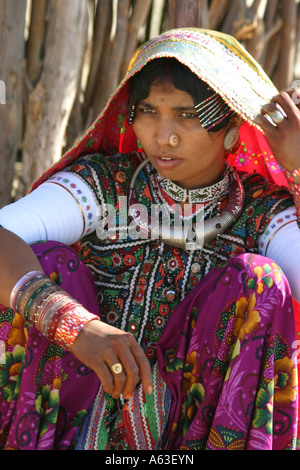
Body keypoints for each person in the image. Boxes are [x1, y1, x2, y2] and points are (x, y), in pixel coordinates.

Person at [0, 27, 299, 451]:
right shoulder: (104, 185)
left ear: (231, 125)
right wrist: (77, 328)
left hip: (194, 437)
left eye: (187, 114)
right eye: (148, 111)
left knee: (261, 281)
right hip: (76, 424)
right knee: (43, 262)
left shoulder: (261, 212)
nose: (164, 136)